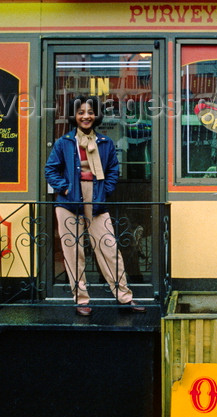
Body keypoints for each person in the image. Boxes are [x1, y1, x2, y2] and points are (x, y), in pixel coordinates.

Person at [45, 95, 145, 316]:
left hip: (96, 197)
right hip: (69, 200)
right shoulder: (64, 142)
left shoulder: (105, 143)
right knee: (73, 252)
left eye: (90, 112)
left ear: (96, 115)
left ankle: (124, 297)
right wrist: (65, 188)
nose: (86, 116)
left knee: (108, 247)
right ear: (74, 116)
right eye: (81, 112)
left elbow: (112, 172)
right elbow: (50, 170)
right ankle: (81, 300)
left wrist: (104, 191)